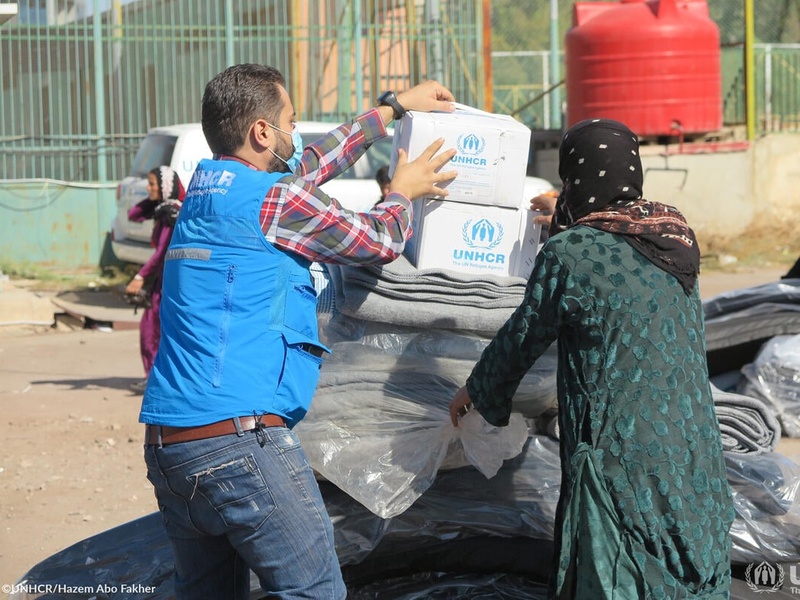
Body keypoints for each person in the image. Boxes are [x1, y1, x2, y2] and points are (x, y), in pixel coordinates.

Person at [140, 63, 458, 600]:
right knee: (315, 593)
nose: (296, 134)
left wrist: (391, 111)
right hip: (241, 445)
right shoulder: (274, 202)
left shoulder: (205, 191)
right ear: (262, 131)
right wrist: (401, 193)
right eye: (289, 122)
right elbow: (378, 241)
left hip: (170, 447)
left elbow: (307, 167)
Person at [449, 118, 735, 599]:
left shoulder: (568, 253)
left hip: (622, 451)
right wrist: (564, 220)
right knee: (683, 556)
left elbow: (525, 334)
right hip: (691, 444)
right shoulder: (673, 233)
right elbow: (613, 266)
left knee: (623, 561)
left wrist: (478, 391)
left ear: (574, 178)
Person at [124, 166, 184, 392]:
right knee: (153, 326)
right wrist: (153, 200)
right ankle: (155, 377)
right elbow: (134, 215)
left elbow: (161, 254)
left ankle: (155, 378)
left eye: (152, 184)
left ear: (165, 187)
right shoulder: (162, 209)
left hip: (167, 282)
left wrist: (140, 277)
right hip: (161, 281)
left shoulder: (171, 214)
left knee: (152, 328)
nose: (148, 188)